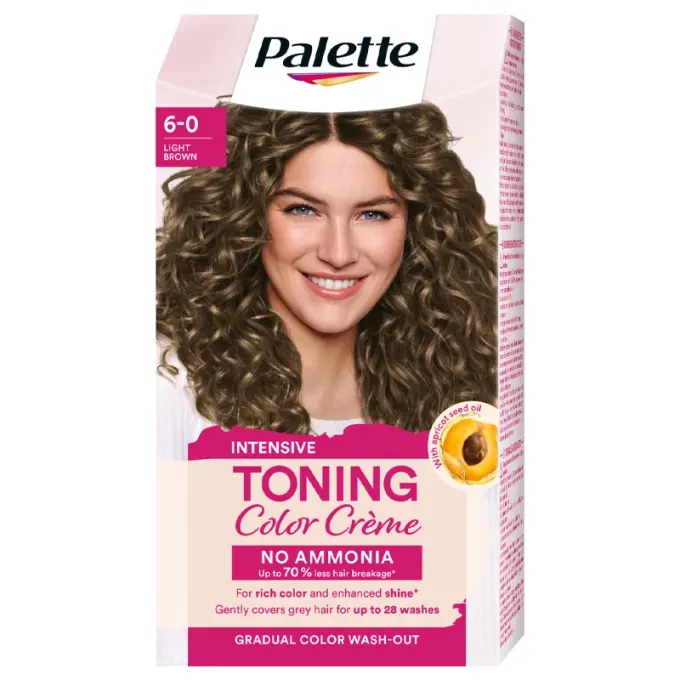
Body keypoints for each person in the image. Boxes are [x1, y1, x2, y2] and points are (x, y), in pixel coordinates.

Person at [156, 100, 497, 446]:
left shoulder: (459, 398)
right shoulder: (168, 388)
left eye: (373, 214)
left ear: (417, 226)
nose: (338, 254)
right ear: (246, 215)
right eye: (303, 210)